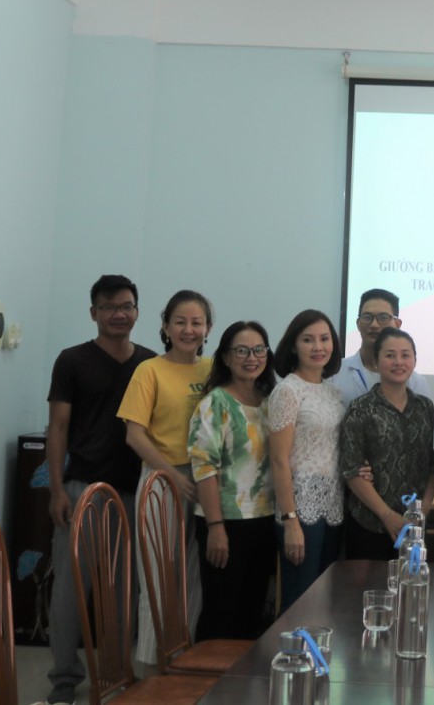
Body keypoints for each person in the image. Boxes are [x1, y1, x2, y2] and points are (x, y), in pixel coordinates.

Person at [45, 275, 156, 705]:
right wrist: (57, 490)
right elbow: (57, 427)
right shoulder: (72, 360)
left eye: (126, 306)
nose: (118, 314)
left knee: (124, 591)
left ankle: (115, 673)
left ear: (137, 312)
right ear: (94, 313)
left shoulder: (149, 364)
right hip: (82, 489)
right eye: (109, 307)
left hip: (133, 491)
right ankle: (63, 680)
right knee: (71, 591)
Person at [119, 289, 213, 671]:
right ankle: (150, 668)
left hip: (205, 481)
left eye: (197, 322)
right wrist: (172, 475)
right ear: (165, 326)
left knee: (194, 578)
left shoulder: (213, 370)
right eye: (180, 322)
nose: (189, 330)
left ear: (208, 328)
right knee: (158, 577)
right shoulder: (149, 370)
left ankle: (182, 661)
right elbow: (134, 435)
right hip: (161, 479)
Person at [188, 320, 277, 640]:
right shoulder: (215, 403)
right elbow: (204, 469)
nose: (251, 357)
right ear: (225, 357)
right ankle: (207, 673)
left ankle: (243, 674)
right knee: (221, 613)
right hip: (225, 522)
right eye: (241, 351)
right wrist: (215, 528)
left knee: (252, 613)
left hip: (264, 518)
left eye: (258, 350)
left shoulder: (270, 400)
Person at [267, 309, 346, 612]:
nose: (318, 347)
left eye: (324, 339)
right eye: (308, 340)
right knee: (299, 603)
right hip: (300, 508)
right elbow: (278, 460)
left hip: (333, 505)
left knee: (324, 601)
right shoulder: (287, 391)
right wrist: (291, 521)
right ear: (293, 346)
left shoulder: (333, 393)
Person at [340, 328, 434, 560]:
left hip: (413, 525)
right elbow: (351, 470)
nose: (398, 362)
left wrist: (423, 510)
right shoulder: (360, 408)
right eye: (390, 355)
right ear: (376, 362)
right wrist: (386, 515)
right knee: (368, 584)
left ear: (414, 360)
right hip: (369, 524)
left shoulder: (425, 408)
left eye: (405, 355)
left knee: (410, 581)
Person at [329, 288, 431, 402]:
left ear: (397, 324)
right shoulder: (336, 373)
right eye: (367, 317)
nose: (374, 325)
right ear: (358, 324)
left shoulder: (416, 383)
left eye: (383, 318)